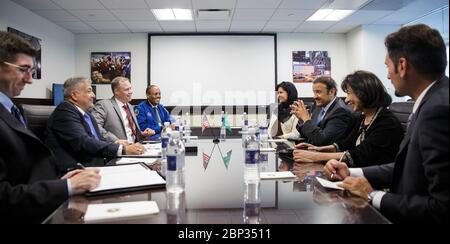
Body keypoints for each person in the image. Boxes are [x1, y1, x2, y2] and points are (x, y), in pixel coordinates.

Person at [323, 24, 448, 223]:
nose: (388, 75)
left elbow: (442, 207)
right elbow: (406, 167)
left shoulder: (438, 110)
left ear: (402, 66)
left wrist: (373, 195)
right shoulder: (431, 101)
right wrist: (352, 171)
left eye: (387, 67)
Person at [0, 31, 100, 223]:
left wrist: (58, 182)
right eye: (23, 69)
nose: (30, 79)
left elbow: (24, 172)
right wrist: (67, 187)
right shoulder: (64, 111)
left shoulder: (11, 110)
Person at [293, 70, 404, 167]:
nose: (346, 100)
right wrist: (317, 149)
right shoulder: (363, 117)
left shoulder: (386, 122)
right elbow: (346, 144)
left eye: (349, 93)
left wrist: (316, 156)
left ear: (364, 93)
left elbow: (360, 155)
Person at [45, 77, 146, 174]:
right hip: (78, 171)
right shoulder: (64, 111)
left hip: (99, 165)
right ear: (75, 95)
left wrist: (118, 143)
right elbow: (84, 142)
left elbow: (97, 139)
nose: (93, 95)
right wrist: (122, 149)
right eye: (89, 91)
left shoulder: (87, 114)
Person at [290, 76, 353, 146]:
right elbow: (308, 134)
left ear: (332, 91)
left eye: (318, 92)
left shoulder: (340, 111)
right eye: (314, 92)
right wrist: (302, 120)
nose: (314, 96)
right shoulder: (318, 107)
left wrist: (306, 120)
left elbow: (323, 140)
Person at [91, 76, 155, 145]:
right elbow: (95, 126)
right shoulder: (103, 105)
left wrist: (143, 134)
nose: (131, 92)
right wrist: (116, 140)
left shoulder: (130, 107)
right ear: (116, 91)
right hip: (118, 150)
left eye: (130, 88)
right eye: (127, 89)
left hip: (135, 147)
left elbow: (132, 133)